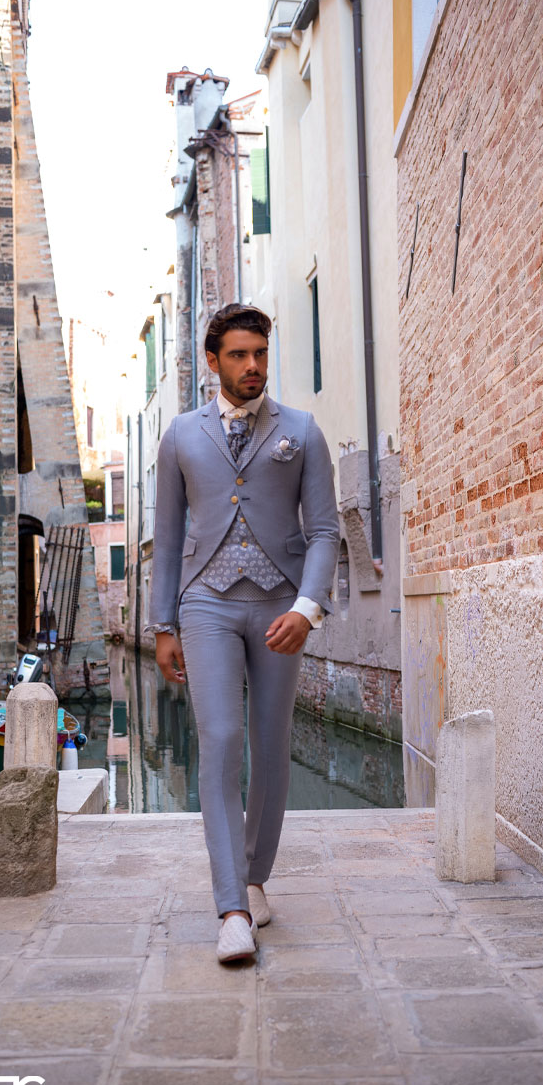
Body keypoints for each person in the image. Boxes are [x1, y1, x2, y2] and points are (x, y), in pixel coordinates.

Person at [148, 303, 339, 962]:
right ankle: (231, 908)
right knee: (222, 740)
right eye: (238, 354)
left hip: (282, 605)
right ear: (214, 361)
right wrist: (162, 624)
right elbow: (167, 536)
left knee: (270, 743)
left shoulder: (302, 432)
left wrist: (308, 608)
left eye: (260, 353)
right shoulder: (180, 435)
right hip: (205, 602)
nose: (253, 365)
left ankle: (255, 877)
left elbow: (324, 532)